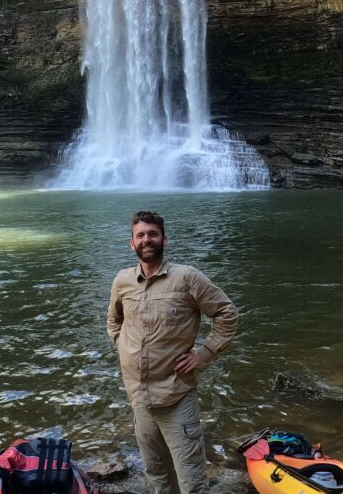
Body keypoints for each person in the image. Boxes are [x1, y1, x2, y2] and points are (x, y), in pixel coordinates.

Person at [107, 211, 239, 494]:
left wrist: (204, 354)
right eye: (140, 235)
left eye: (153, 234)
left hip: (176, 395)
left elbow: (227, 313)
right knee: (156, 475)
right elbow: (114, 321)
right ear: (131, 243)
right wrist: (123, 347)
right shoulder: (122, 281)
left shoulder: (187, 278)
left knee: (192, 481)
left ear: (164, 239)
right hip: (139, 397)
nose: (147, 240)